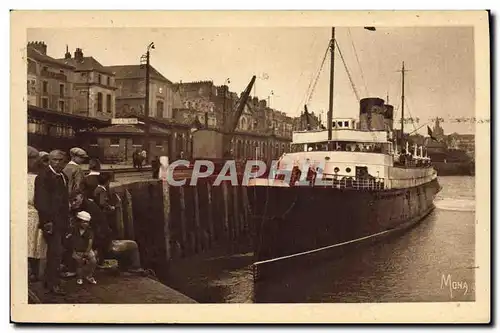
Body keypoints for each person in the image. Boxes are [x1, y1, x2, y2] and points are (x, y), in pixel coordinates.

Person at [34, 150, 69, 295]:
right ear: (49, 160)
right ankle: (53, 284)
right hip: (51, 222)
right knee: (55, 252)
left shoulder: (63, 176)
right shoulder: (43, 177)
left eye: (61, 160)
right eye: (55, 160)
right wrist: (47, 222)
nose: (58, 163)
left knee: (57, 252)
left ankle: (50, 281)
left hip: (61, 220)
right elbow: (41, 202)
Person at [69, 189, 112, 267]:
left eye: (75, 200)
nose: (73, 203)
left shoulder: (89, 207)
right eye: (72, 201)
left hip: (99, 235)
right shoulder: (76, 207)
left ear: (82, 197)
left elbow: (95, 227)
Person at [27, 147, 48, 282]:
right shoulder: (38, 179)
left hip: (24, 215)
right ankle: (33, 272)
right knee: (34, 245)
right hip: (34, 215)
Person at [67, 211, 97, 285]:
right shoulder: (74, 229)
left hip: (87, 250)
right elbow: (70, 238)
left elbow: (90, 242)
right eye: (83, 222)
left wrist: (87, 252)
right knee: (79, 264)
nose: (85, 224)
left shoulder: (89, 231)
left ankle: (89, 276)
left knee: (93, 261)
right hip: (77, 250)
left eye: (87, 222)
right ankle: (79, 277)